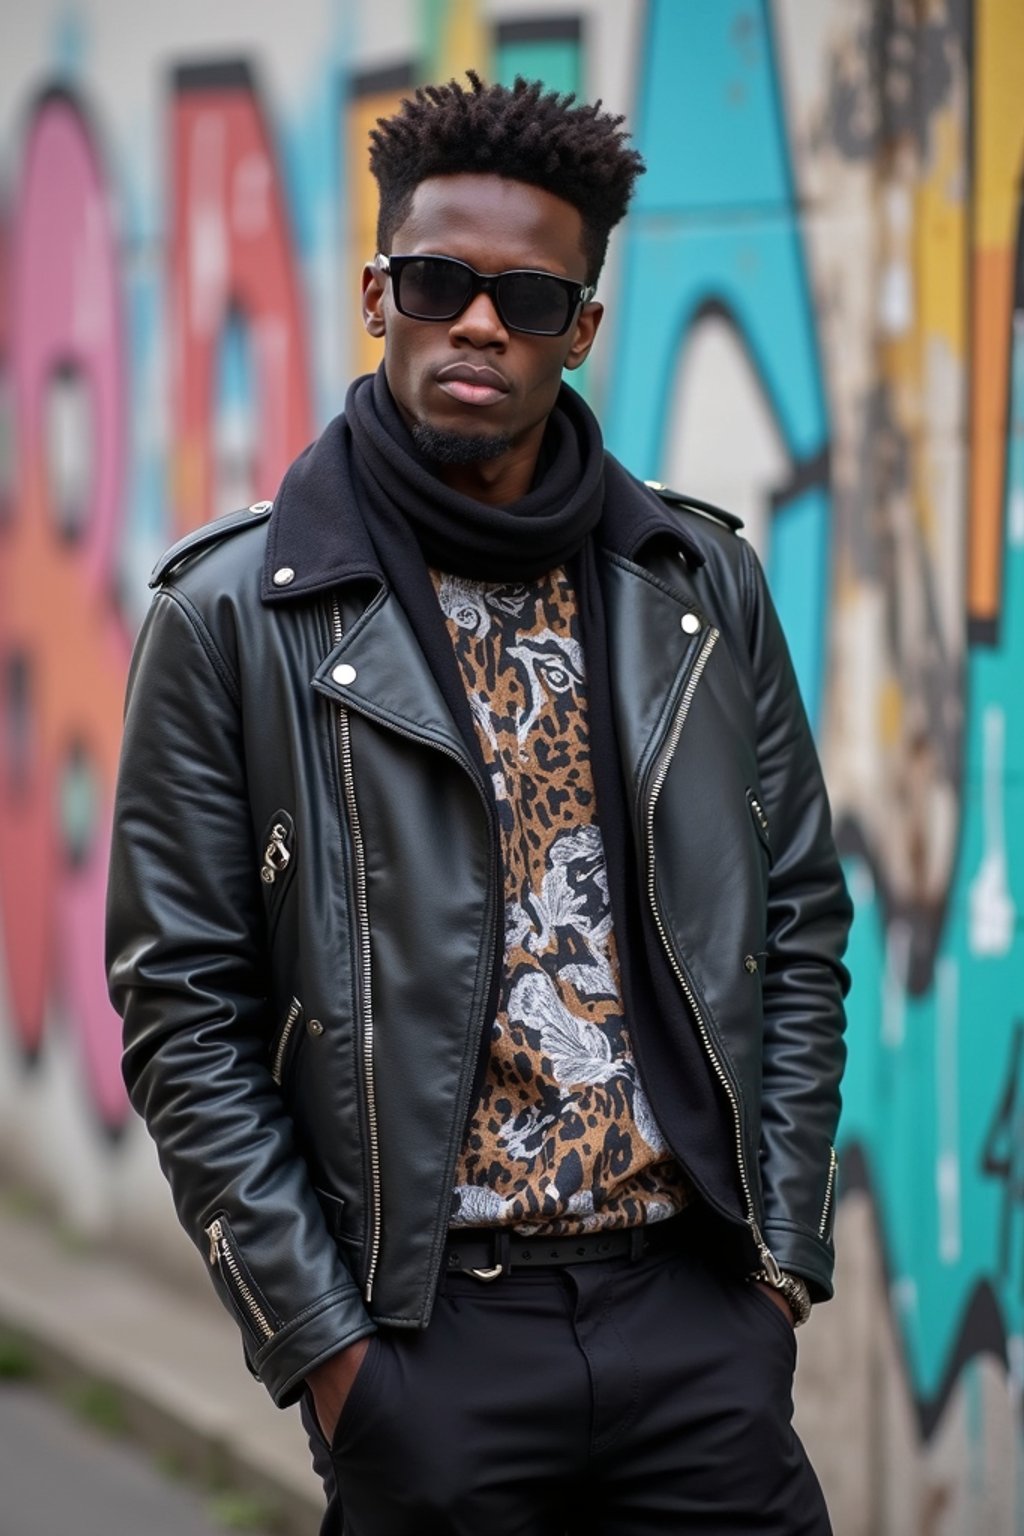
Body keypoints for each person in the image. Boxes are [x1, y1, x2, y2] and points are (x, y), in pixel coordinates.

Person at [107, 72, 852, 1536]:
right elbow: (182, 1006)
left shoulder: (698, 587)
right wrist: (329, 1356)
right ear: (381, 292)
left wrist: (777, 1272)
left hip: (694, 1316)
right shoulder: (233, 617)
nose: (480, 325)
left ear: (582, 327)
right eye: (442, 282)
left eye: (527, 297)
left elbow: (801, 919)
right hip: (427, 1338)